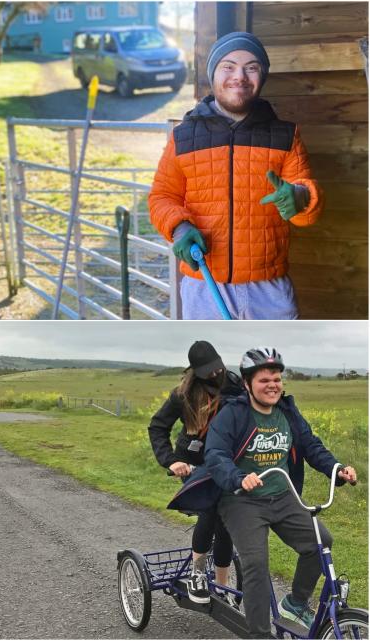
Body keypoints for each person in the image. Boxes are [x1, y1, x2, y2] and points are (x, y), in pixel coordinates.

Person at [148, 32, 322, 320]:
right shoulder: (183, 136)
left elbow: (305, 194)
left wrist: (300, 196)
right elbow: (162, 197)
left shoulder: (285, 135)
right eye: (228, 66)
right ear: (213, 73)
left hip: (269, 289)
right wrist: (179, 227)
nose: (239, 76)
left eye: (251, 67)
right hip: (204, 282)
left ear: (262, 76)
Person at [204, 347, 357, 638]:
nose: (273, 385)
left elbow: (311, 445)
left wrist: (337, 469)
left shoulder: (287, 411)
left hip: (283, 496)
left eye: (276, 378)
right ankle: (260, 634)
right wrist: (238, 477)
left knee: (320, 542)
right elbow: (215, 455)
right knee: (256, 565)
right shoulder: (233, 414)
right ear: (248, 384)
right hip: (242, 501)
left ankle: (295, 603)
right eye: (264, 380)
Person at [150, 340, 242, 605]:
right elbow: (157, 427)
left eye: (218, 369)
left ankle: (222, 587)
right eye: (209, 373)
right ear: (196, 373)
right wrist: (169, 461)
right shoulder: (182, 395)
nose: (215, 375)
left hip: (224, 461)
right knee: (211, 510)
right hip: (193, 462)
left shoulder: (234, 385)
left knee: (225, 524)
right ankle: (197, 574)